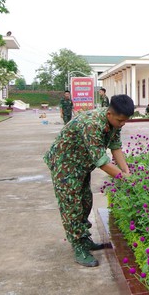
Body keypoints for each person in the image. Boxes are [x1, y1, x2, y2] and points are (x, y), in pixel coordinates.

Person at [44, 94, 134, 267]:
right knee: (72, 205)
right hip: (65, 164)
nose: (123, 123)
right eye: (121, 120)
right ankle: (78, 246)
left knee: (85, 200)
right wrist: (123, 178)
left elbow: (115, 146)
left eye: (125, 121)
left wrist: (126, 170)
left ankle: (84, 239)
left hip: (81, 164)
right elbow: (102, 162)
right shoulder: (92, 124)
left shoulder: (115, 121)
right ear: (109, 114)